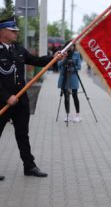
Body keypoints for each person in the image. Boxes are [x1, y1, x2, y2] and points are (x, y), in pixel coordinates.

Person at [0, 17, 65, 181]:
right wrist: (7, 97)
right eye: (12, 30)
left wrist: (54, 57)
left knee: (23, 134)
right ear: (2, 32)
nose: (16, 33)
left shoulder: (18, 49)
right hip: (3, 101)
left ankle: (29, 166)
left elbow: (36, 61)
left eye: (16, 30)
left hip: (21, 100)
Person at [57, 42, 82, 123]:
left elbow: (79, 66)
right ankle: (67, 114)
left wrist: (72, 69)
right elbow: (59, 65)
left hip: (73, 77)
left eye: (72, 46)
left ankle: (77, 115)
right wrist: (65, 58)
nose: (71, 47)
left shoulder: (77, 54)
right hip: (64, 77)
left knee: (75, 95)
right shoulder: (61, 54)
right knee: (66, 96)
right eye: (69, 46)